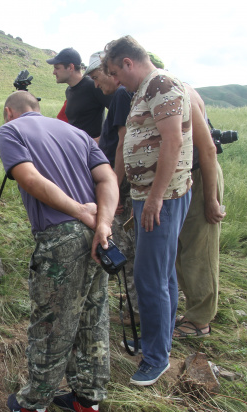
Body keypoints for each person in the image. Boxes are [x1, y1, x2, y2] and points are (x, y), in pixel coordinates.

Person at [0, 91, 119, 412]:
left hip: (60, 241)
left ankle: (34, 404)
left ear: (10, 112)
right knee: (93, 314)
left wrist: (79, 212)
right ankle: (87, 399)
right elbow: (108, 177)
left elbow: (29, 178)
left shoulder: (10, 131)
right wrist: (102, 223)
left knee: (52, 320)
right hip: (99, 235)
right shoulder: (77, 133)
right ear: (39, 109)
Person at [103, 36, 193, 386]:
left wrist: (155, 198)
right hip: (147, 195)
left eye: (114, 72)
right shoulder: (142, 90)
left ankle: (156, 358)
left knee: (148, 278)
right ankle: (161, 341)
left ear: (127, 62)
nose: (115, 81)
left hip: (163, 198)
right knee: (162, 274)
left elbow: (173, 140)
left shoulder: (161, 83)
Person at [84, 51, 139, 325]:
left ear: (110, 71)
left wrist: (113, 188)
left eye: (97, 77)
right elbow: (110, 139)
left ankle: (135, 310)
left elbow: (122, 144)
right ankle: (133, 301)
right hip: (122, 182)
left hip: (120, 184)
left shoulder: (120, 96)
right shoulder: (123, 97)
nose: (97, 84)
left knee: (123, 245)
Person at [174, 84, 225, 338]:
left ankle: (200, 321)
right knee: (181, 249)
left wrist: (212, 199)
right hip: (186, 177)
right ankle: (194, 310)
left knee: (199, 249)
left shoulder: (182, 93)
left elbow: (208, 150)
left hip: (200, 176)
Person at [47, 47, 111, 140]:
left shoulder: (93, 85)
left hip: (91, 151)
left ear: (71, 67)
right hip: (75, 149)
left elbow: (118, 110)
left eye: (57, 68)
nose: (54, 72)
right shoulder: (69, 90)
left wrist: (100, 140)